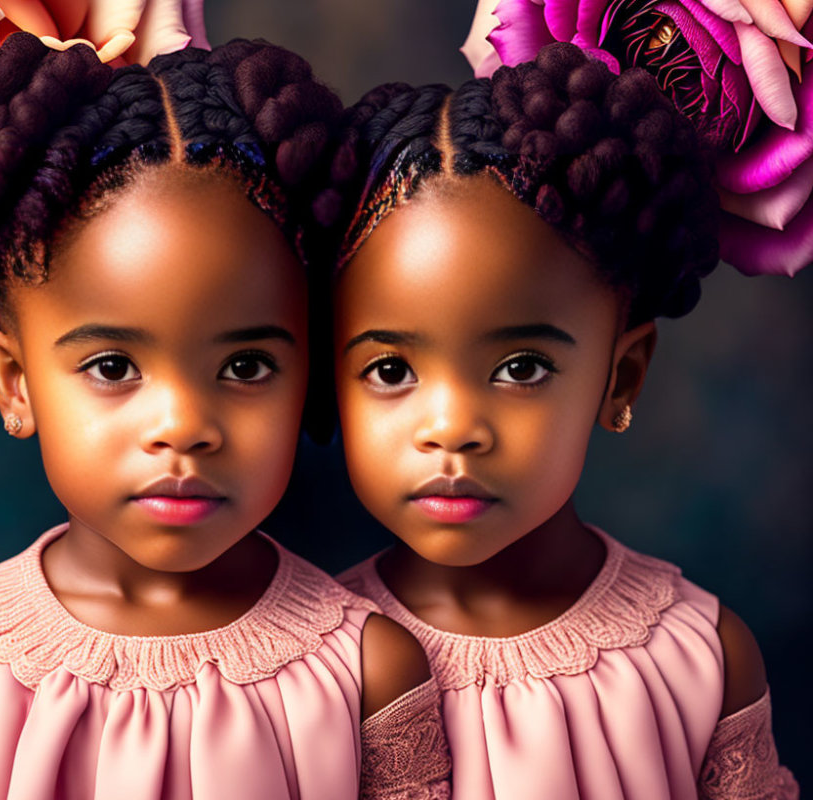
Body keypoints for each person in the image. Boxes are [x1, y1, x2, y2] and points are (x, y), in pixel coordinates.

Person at [0, 32, 450, 800]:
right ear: (17, 383)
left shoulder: (369, 673)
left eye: (245, 367)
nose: (183, 425)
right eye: (113, 368)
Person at [333, 42, 798, 799]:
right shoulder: (304, 670)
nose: (452, 428)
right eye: (391, 371)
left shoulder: (700, 658)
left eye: (521, 368)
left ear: (621, 377)